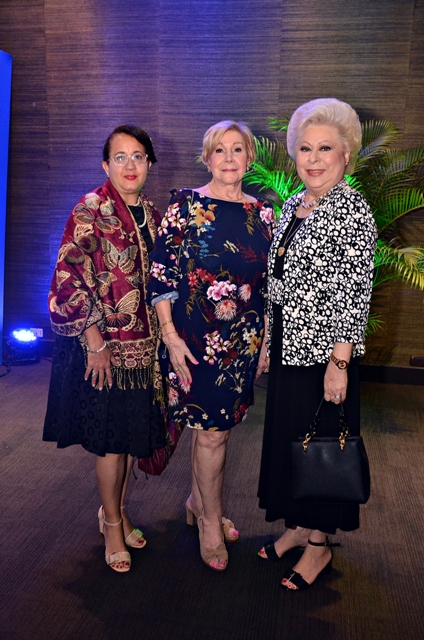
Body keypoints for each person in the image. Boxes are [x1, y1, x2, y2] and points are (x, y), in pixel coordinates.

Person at [257, 98, 377, 590]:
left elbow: (355, 294)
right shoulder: (294, 204)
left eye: (325, 148)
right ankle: (300, 525)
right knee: (292, 437)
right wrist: (268, 336)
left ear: (346, 154)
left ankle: (319, 546)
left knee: (323, 443)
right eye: (305, 148)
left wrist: (340, 364)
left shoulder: (353, 213)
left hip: (326, 352)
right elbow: (278, 279)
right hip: (289, 344)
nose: (312, 158)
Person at [147, 120, 275, 571]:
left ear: (249, 158)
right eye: (218, 150)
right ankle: (209, 517)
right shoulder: (185, 206)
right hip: (194, 342)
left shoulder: (263, 215)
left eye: (236, 149)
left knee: (218, 430)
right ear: (207, 158)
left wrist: (264, 344)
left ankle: (197, 500)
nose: (227, 158)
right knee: (213, 432)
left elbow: (268, 287)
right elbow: (161, 274)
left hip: (242, 342)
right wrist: (170, 337)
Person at [43, 125, 166, 573]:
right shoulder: (91, 209)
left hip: (144, 351)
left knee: (130, 441)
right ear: (105, 164)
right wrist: (94, 341)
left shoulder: (152, 213)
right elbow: (67, 278)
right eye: (120, 157)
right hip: (105, 350)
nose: (129, 165)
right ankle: (111, 523)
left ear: (149, 163)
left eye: (138, 156)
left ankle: (117, 510)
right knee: (112, 445)